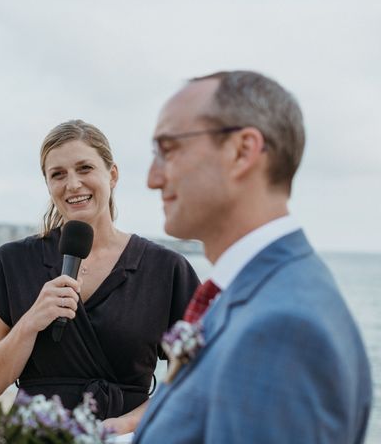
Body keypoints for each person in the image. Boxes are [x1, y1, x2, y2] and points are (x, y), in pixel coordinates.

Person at [134, 71, 372, 443]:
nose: (152, 178)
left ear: (243, 151)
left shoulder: (282, 328)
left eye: (168, 149)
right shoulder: (259, 292)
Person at [0, 120, 199, 434]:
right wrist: (30, 322)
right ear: (48, 184)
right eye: (58, 174)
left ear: (112, 174)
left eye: (84, 168)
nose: (73, 184)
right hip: (35, 437)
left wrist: (126, 425)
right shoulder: (11, 262)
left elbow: (198, 377)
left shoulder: (167, 269)